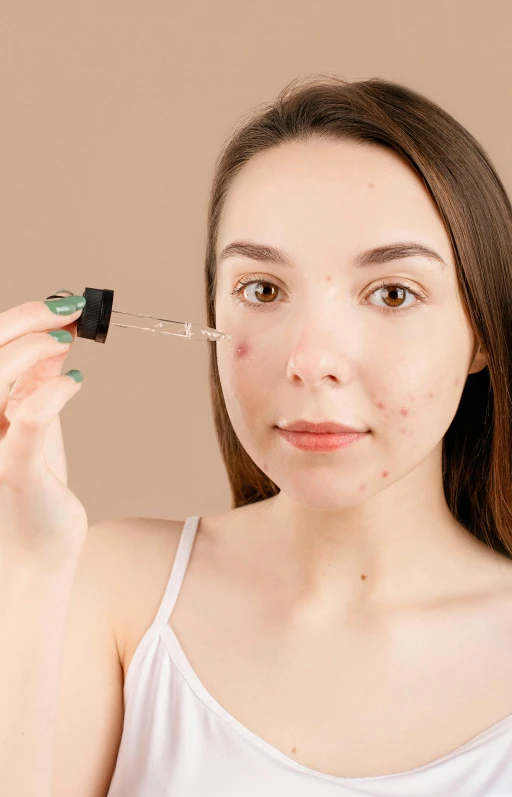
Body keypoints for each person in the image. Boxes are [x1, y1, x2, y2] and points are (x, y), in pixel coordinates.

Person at [2, 74, 512, 796]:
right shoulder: (113, 593)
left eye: (393, 293)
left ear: (482, 331)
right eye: (263, 290)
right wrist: (31, 564)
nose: (310, 361)